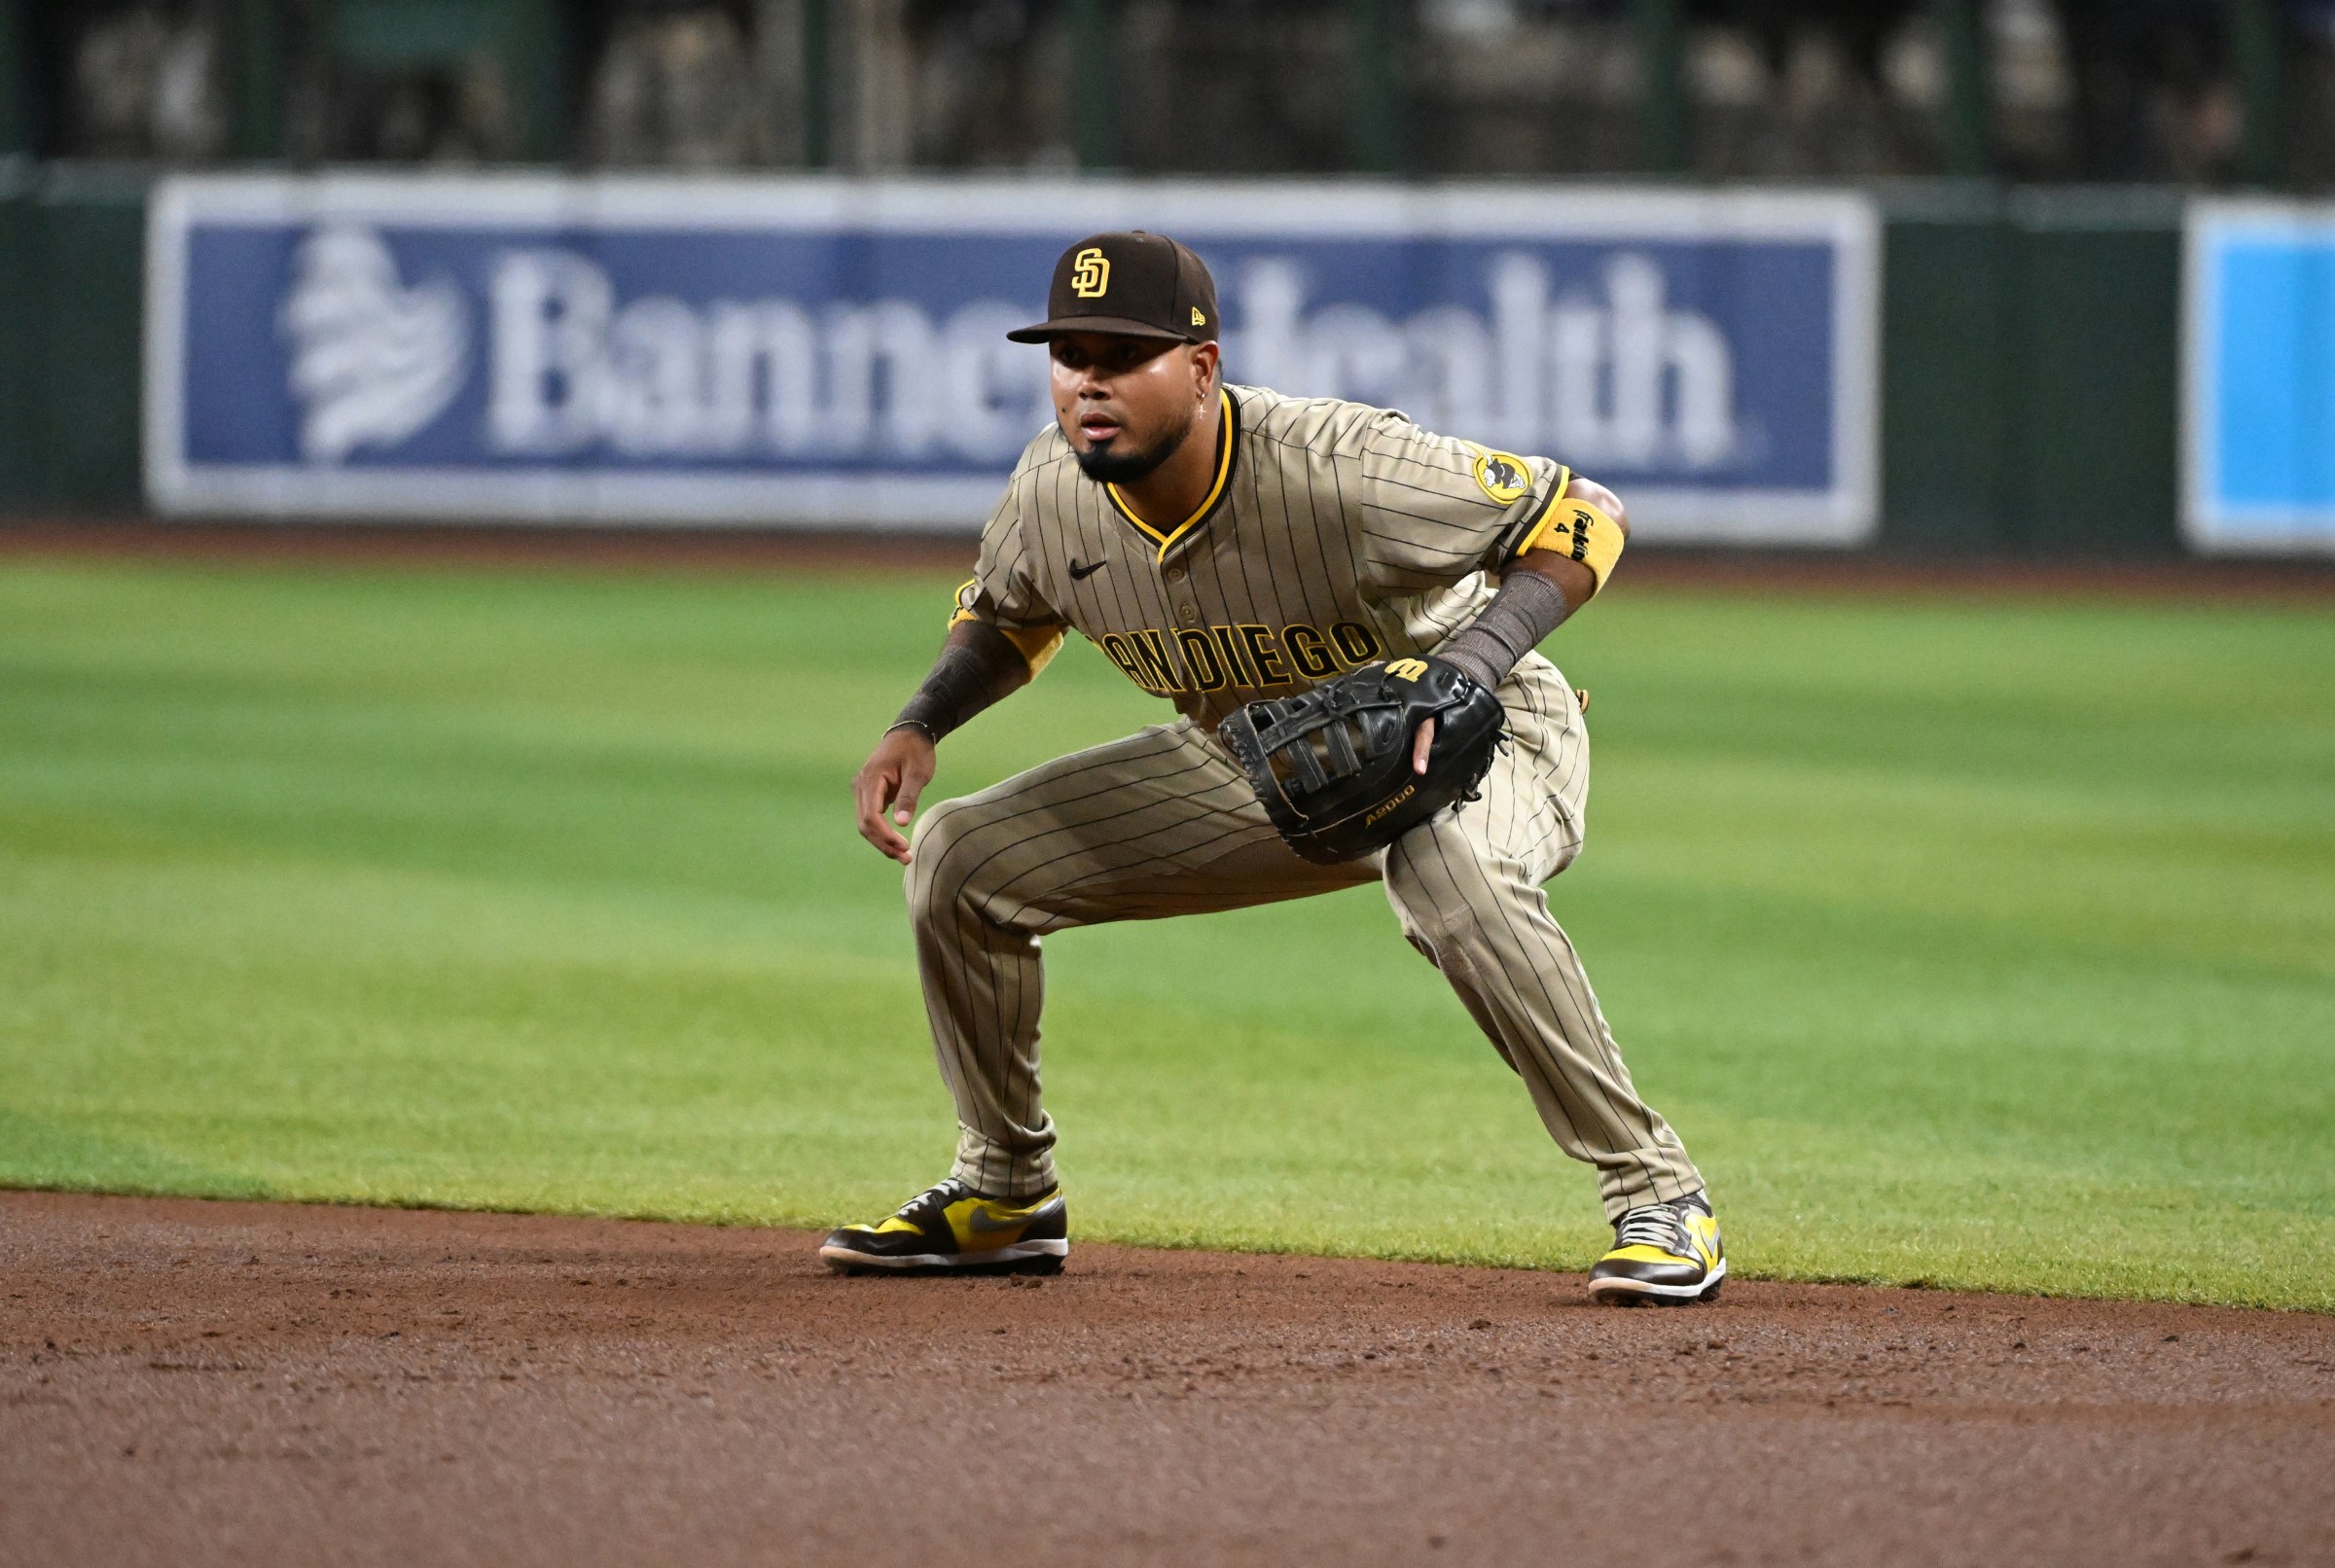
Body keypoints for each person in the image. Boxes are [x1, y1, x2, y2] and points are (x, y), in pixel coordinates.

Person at [826, 231, 1722, 1305]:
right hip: (1252, 764)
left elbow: (1583, 514)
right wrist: (921, 720)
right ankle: (1006, 1192)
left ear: (1202, 368)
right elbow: (1007, 616)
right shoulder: (1049, 492)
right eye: (1070, 355)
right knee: (961, 860)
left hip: (1480, 732)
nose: (1089, 382)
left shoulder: (1337, 464)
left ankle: (1660, 1197)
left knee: (1445, 871)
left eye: (1124, 355)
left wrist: (1473, 662)